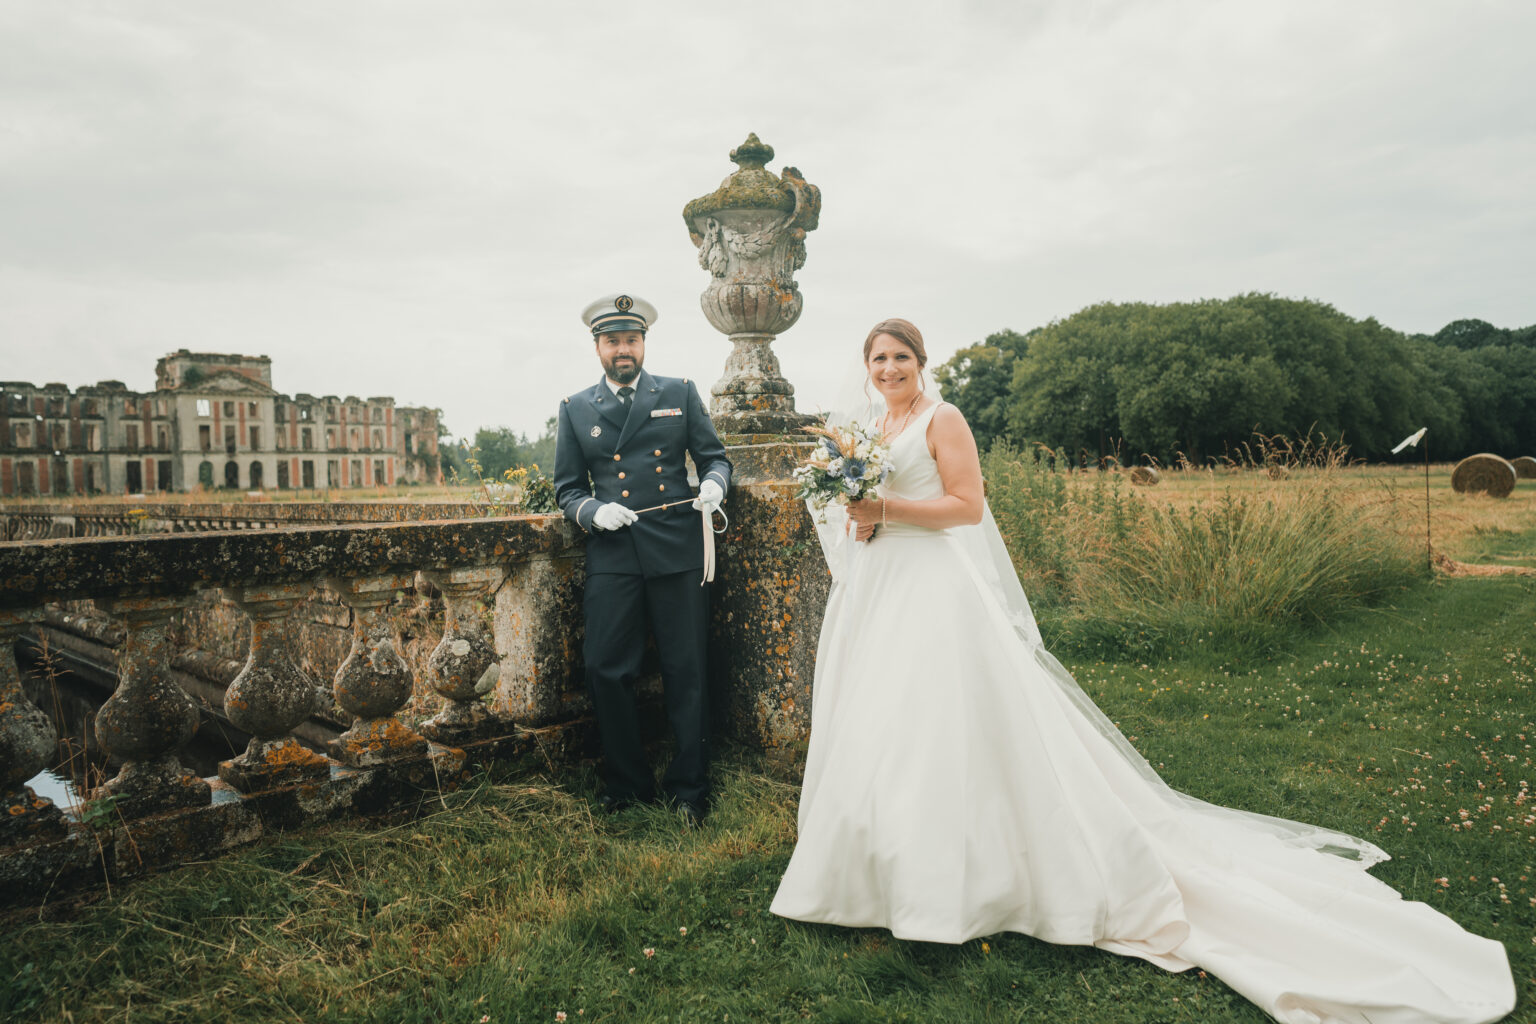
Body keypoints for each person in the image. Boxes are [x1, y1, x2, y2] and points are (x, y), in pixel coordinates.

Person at [770, 318, 1515, 1024]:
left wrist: (886, 506)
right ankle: (875, 868)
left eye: (901, 356)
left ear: (921, 363)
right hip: (882, 588)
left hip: (936, 588)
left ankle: (971, 874)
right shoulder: (870, 430)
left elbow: (967, 508)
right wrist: (854, 509)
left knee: (946, 720)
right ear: (867, 370)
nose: (890, 369)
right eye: (879, 359)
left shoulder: (943, 418)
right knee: (886, 721)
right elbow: (855, 507)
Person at [553, 293, 731, 826]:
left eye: (632, 339)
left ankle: (689, 790)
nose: (623, 349)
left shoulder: (678, 392)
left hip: (677, 546)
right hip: (613, 552)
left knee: (687, 671)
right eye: (613, 341)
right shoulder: (575, 407)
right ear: (598, 348)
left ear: (644, 343)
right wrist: (592, 511)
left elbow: (713, 456)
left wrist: (716, 485)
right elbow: (565, 489)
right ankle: (626, 785)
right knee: (606, 668)